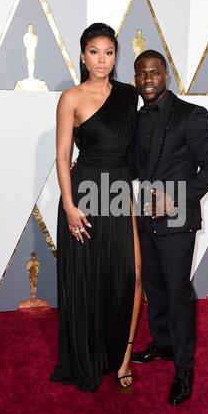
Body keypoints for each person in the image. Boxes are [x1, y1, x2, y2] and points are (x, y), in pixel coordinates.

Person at [50, 23, 142, 392]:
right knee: (87, 282)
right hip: (84, 195)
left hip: (118, 191)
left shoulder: (130, 95)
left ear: (116, 55)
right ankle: (87, 356)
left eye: (109, 52)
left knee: (131, 274)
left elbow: (143, 144)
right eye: (94, 51)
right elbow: (61, 155)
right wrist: (70, 206)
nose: (102, 59)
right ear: (83, 55)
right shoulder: (71, 97)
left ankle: (122, 356)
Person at [131, 50, 208, 405]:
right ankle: (164, 345)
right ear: (136, 79)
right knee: (153, 288)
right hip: (146, 220)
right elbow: (135, 167)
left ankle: (184, 369)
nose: (148, 80)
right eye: (141, 74)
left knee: (177, 294)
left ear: (166, 76)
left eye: (154, 73)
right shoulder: (136, 118)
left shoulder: (192, 115)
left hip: (178, 222)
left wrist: (174, 199)